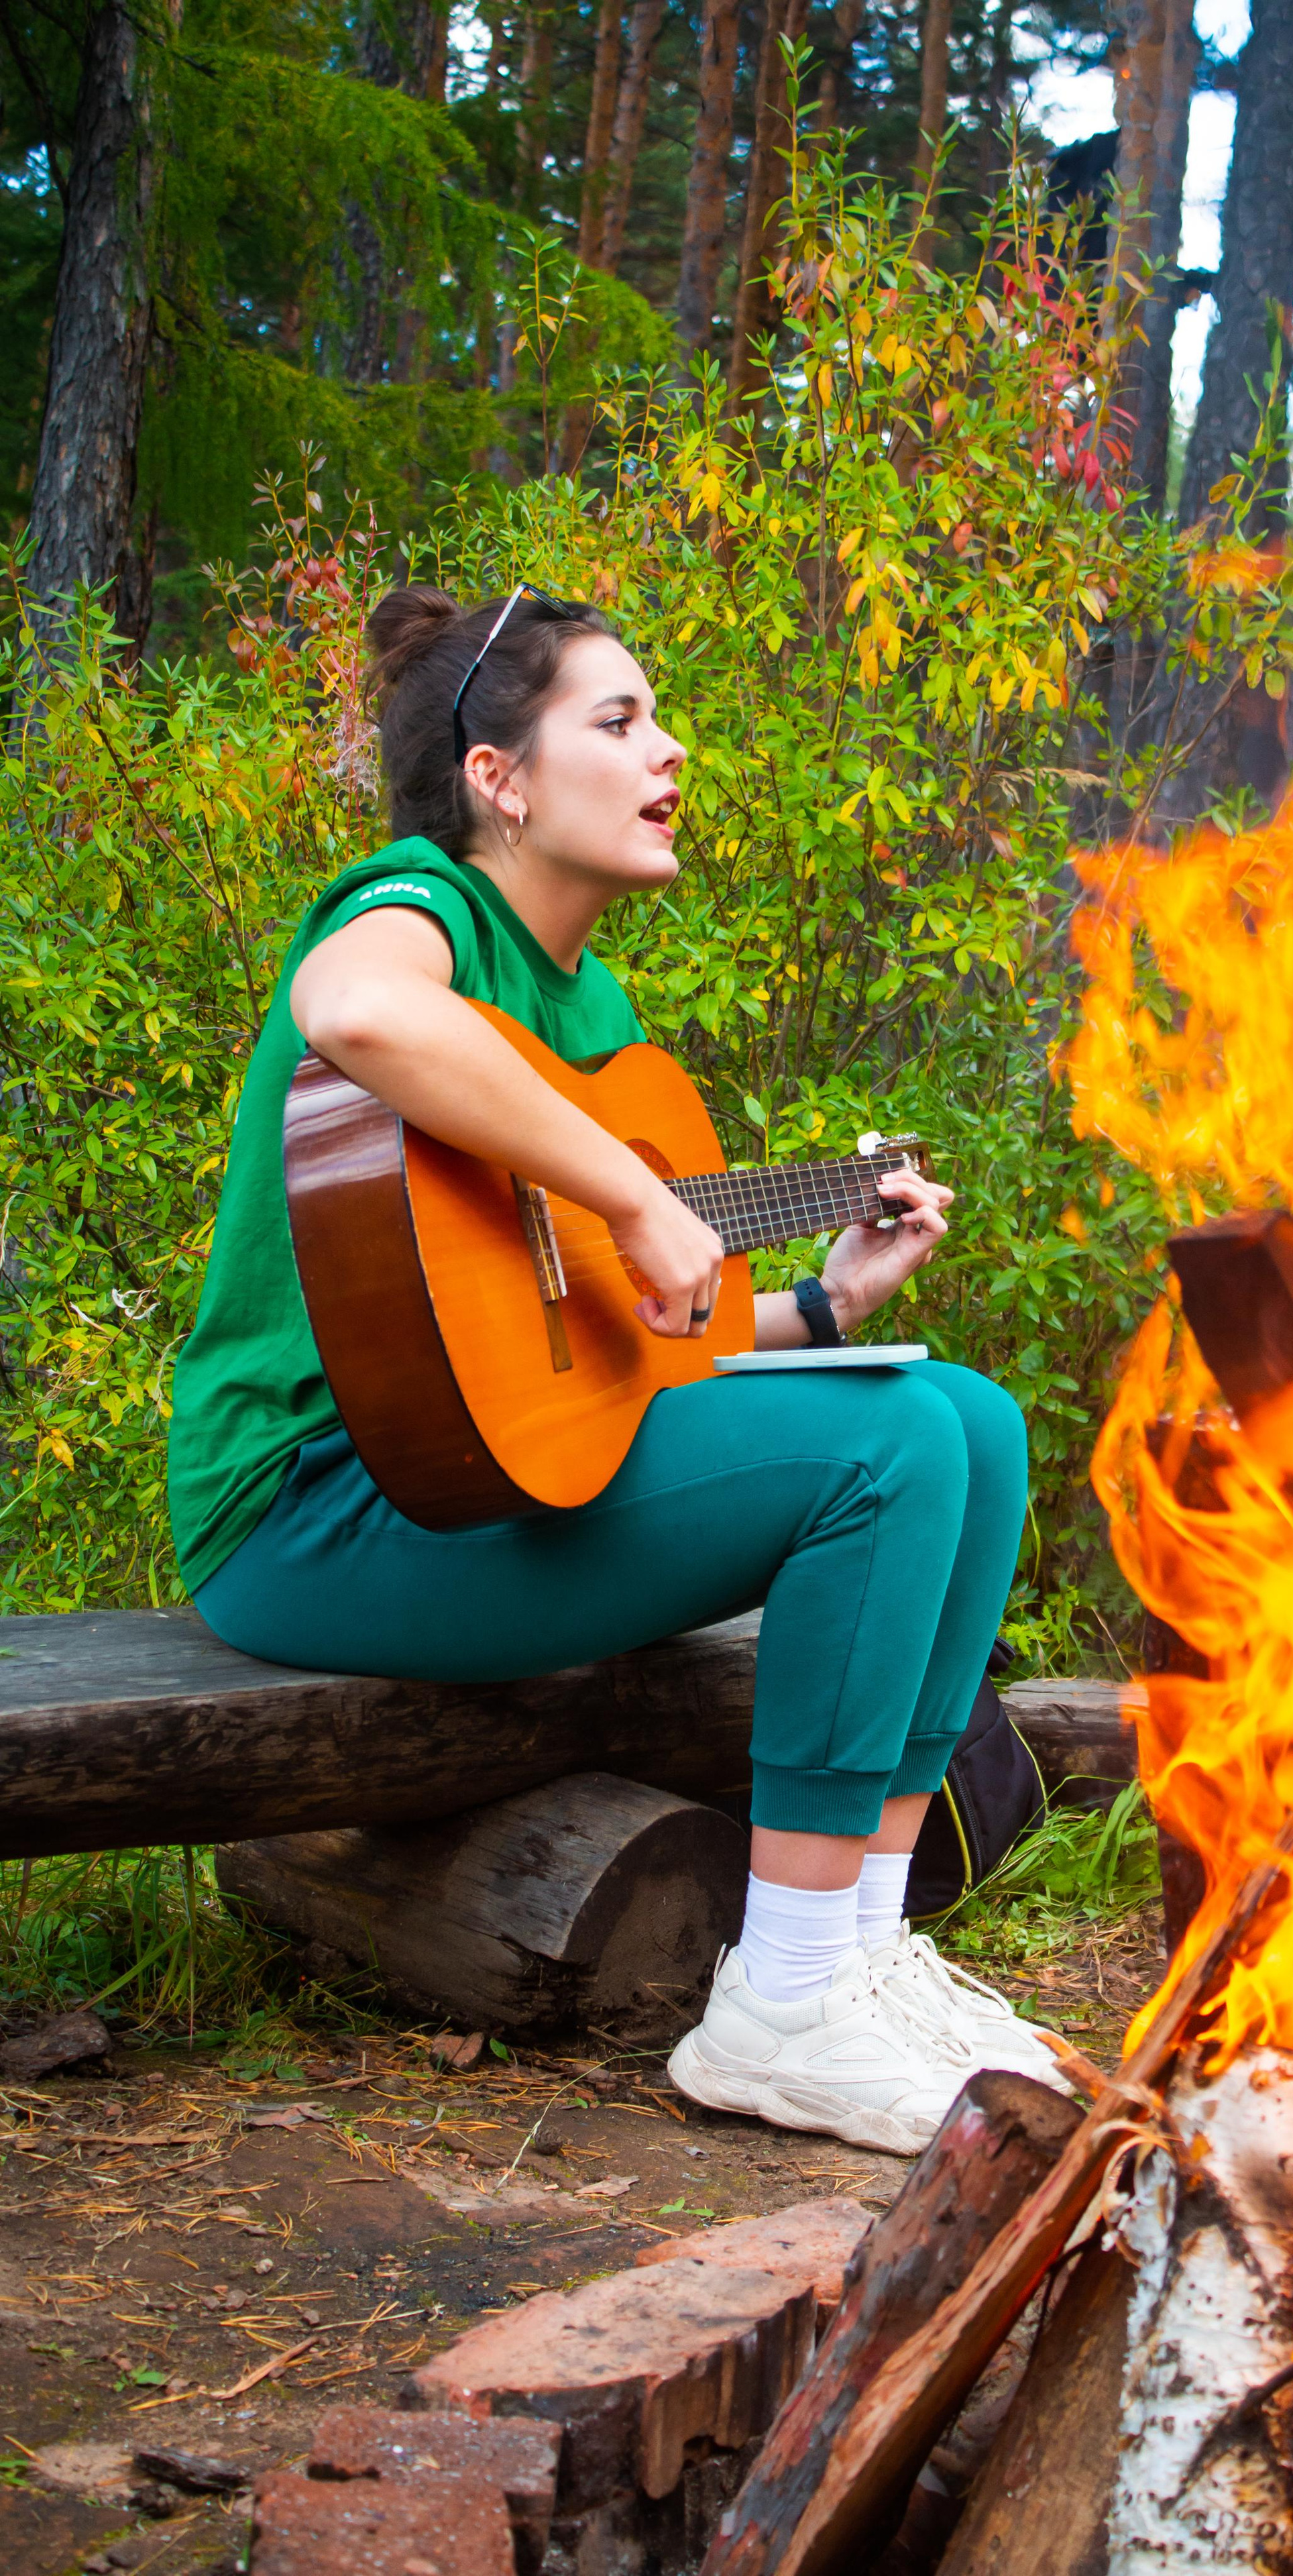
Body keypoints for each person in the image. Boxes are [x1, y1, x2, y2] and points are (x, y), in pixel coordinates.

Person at [169, 582, 1060, 2154]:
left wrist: (821, 1308)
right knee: (894, 1453)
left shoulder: (595, 1019)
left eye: (660, 718)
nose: (670, 749)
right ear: (498, 780)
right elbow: (354, 1010)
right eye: (618, 719)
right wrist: (638, 1194)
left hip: (485, 1481)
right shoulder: (418, 909)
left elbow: (594, 1362)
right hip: (320, 1514)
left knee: (968, 1425)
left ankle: (857, 1949)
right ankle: (777, 2004)